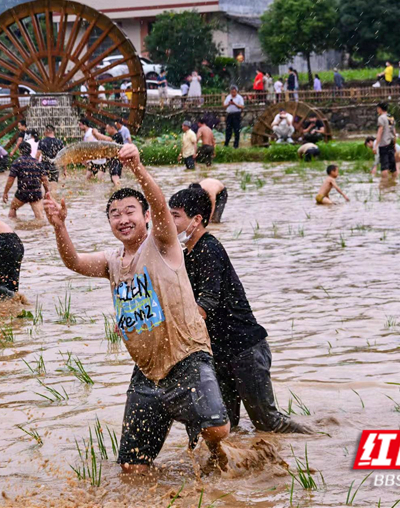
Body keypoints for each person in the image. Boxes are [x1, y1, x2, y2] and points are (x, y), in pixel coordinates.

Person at [42, 145, 231, 473]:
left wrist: (139, 169)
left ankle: (217, 447)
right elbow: (73, 262)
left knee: (217, 431)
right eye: (114, 214)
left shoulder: (162, 244)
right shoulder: (111, 261)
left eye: (130, 210)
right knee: (132, 469)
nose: (122, 218)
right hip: (146, 372)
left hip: (186, 357)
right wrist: (59, 225)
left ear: (145, 216)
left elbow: (159, 206)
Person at [168, 187, 312, 434]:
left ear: (197, 220)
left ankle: (319, 441)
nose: (170, 222)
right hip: (220, 352)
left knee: (268, 423)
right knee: (226, 427)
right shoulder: (187, 255)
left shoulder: (209, 249)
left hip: (245, 349)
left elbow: (207, 303)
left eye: (176, 216)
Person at [4, 141, 49, 219]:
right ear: (30, 151)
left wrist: (5, 193)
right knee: (40, 217)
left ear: (20, 151)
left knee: (13, 208)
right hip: (36, 193)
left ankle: (13, 227)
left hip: (22, 193)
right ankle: (41, 231)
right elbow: (44, 179)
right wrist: (47, 191)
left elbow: (10, 180)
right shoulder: (37, 163)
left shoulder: (17, 162)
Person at [92, 122, 125, 186]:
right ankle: (115, 191)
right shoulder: (113, 136)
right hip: (113, 160)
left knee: (115, 177)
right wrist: (95, 135)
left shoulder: (118, 135)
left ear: (112, 128)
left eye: (107, 129)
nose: (106, 131)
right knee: (113, 178)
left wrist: (97, 133)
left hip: (117, 160)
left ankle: (119, 190)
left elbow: (109, 140)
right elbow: (102, 140)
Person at [374, 102, 398, 179]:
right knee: (393, 166)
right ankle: (394, 182)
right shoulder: (390, 117)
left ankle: (384, 184)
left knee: (384, 166)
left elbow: (380, 131)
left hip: (384, 144)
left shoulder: (381, 118)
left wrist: (376, 145)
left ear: (380, 109)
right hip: (391, 143)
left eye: (377, 109)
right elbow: (394, 131)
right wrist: (394, 143)